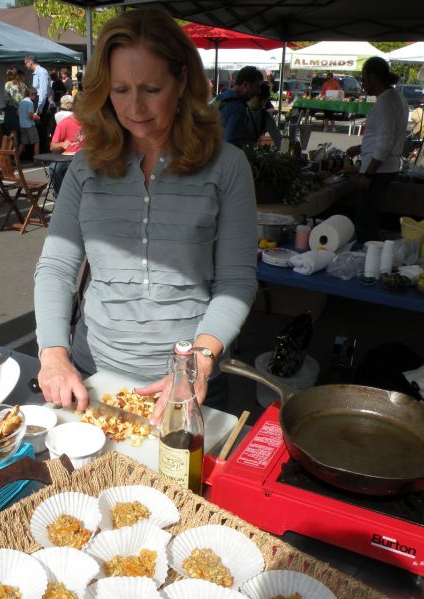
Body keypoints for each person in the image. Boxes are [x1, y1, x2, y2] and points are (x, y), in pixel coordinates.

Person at [33, 9, 257, 417]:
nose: (134, 106)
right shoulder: (84, 167)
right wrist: (52, 353)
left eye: (152, 88)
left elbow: (236, 280)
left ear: (183, 81)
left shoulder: (228, 166)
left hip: (189, 382)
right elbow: (57, 267)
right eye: (120, 89)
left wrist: (199, 361)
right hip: (92, 377)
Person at [346, 57, 407, 242]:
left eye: (364, 79)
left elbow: (384, 142)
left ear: (374, 77)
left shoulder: (386, 102)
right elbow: (384, 137)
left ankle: (366, 259)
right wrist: (362, 147)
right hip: (384, 167)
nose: (363, 85)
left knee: (366, 221)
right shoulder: (393, 97)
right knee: (369, 218)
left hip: (379, 171)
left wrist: (368, 175)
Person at [214, 65, 263, 147]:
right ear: (245, 85)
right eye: (257, 86)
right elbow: (232, 141)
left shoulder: (220, 97)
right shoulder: (238, 107)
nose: (258, 91)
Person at [48, 104, 83, 196]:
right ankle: (60, 196)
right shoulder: (64, 123)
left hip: (86, 156)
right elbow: (52, 147)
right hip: (68, 157)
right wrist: (62, 144)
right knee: (54, 168)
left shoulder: (91, 122)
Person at [24, 54, 51, 150]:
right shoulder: (36, 72)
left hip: (40, 103)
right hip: (38, 102)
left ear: (30, 62)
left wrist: (38, 109)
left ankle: (43, 152)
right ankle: (39, 152)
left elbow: (43, 92)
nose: (25, 65)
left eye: (26, 63)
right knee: (38, 129)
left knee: (41, 128)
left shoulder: (42, 72)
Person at [246, 81, 282, 147]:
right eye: (260, 98)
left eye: (265, 99)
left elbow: (277, 138)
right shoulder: (240, 111)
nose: (263, 103)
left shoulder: (265, 116)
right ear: (252, 95)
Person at [17, 87, 40, 159]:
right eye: (35, 95)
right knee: (36, 141)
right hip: (30, 125)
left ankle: (16, 159)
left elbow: (17, 113)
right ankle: (37, 159)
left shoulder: (21, 102)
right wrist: (36, 117)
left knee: (23, 143)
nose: (36, 97)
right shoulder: (30, 103)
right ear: (31, 94)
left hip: (22, 125)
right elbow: (30, 115)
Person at [3, 68, 26, 137]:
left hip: (12, 110)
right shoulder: (22, 84)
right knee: (20, 132)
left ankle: (15, 147)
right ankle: (20, 147)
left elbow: (6, 99)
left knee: (13, 132)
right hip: (21, 110)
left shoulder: (8, 84)